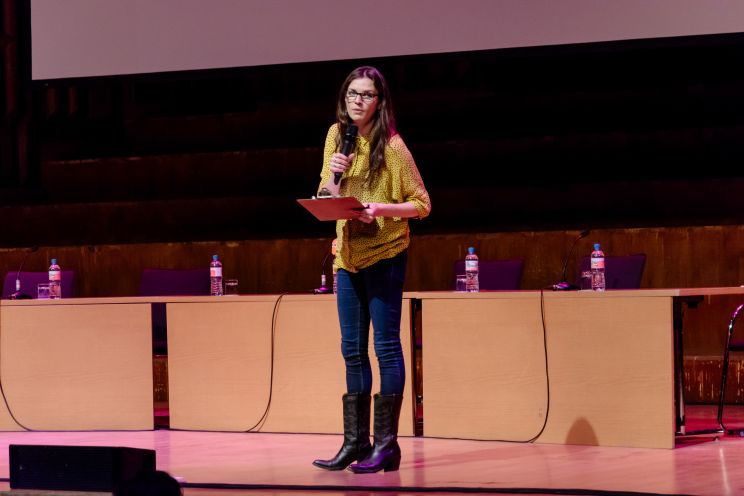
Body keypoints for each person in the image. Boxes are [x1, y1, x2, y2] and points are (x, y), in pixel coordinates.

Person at [312, 66, 431, 474]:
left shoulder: (393, 146)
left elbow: (422, 204)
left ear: (379, 102)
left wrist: (380, 209)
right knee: (351, 351)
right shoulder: (336, 135)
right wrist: (333, 179)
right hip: (347, 255)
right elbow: (327, 191)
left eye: (365, 95)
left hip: (384, 251)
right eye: (351, 94)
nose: (357, 102)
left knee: (385, 348)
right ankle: (354, 443)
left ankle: (387, 445)